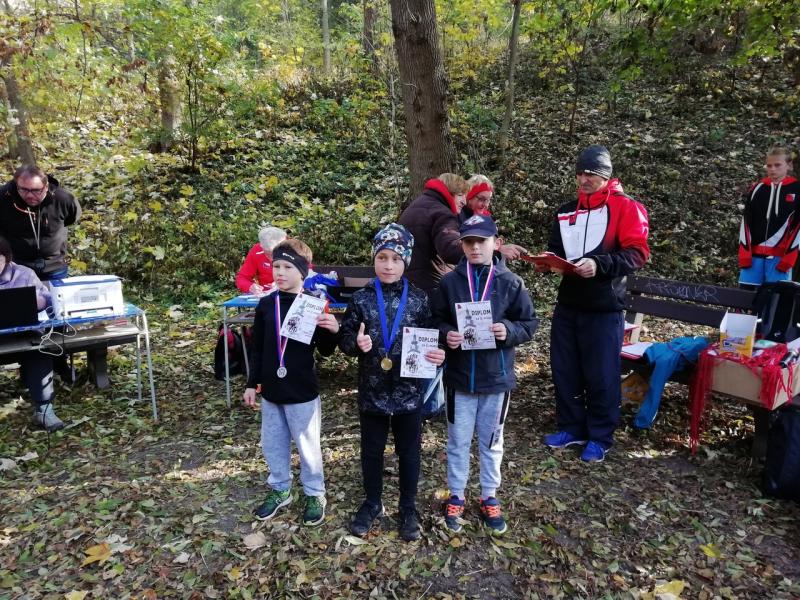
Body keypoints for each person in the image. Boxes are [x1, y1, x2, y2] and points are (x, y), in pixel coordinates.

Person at [540, 144, 650, 463]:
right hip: (568, 303)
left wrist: (599, 265)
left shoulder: (627, 207)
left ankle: (600, 436)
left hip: (604, 306)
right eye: (580, 173)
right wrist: (547, 263)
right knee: (565, 369)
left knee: (601, 374)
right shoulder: (566, 210)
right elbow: (555, 248)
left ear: (605, 175)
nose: (584, 179)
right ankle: (571, 427)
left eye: (591, 173)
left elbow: (637, 253)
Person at [338, 223, 446, 541]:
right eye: (382, 258)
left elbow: (433, 337)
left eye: (396, 259)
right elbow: (345, 338)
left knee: (409, 452)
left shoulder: (420, 300)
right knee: (371, 452)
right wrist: (355, 344)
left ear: (406, 262)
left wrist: (438, 353)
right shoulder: (361, 299)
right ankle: (372, 503)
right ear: (374, 259)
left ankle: (407, 507)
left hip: (408, 394)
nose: (388, 265)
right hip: (371, 392)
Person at [432, 214, 538, 534]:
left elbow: (529, 323)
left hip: (496, 380)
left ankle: (489, 495)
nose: (475, 247)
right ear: (462, 245)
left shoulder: (510, 282)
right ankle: (456, 494)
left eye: (482, 241)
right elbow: (435, 320)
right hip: (460, 378)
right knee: (458, 440)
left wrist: (507, 330)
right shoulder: (450, 283)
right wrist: (447, 334)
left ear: (496, 243)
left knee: (492, 442)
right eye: (469, 242)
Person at [242, 238, 340, 526]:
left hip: (302, 390)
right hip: (272, 391)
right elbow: (258, 349)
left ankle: (314, 493)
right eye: (276, 267)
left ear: (303, 271)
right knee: (273, 444)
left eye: (288, 267)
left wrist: (332, 329)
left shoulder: (313, 305)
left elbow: (326, 350)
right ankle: (280, 488)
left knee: (308, 447)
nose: (280, 273)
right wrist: (251, 384)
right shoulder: (265, 305)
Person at [0, 236, 63, 431]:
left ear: (6, 258)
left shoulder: (24, 274)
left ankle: (44, 410)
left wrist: (40, 301)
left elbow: (50, 302)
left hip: (24, 334)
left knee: (39, 348)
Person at [0, 165, 81, 281]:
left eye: (36, 190)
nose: (29, 195)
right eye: (23, 189)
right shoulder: (3, 198)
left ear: (46, 186)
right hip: (17, 269)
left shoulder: (63, 200)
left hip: (54, 267)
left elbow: (71, 218)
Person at [738, 146, 800, 288]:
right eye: (769, 165)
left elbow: (798, 228)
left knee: (775, 299)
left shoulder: (797, 190)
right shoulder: (758, 188)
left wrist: (788, 259)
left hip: (780, 259)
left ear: (789, 165)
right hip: (753, 258)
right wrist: (744, 256)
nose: (772, 169)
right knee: (745, 298)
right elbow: (746, 222)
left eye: (777, 165)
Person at [398, 173, 469, 295]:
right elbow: (451, 251)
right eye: (460, 195)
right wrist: (483, 248)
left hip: (403, 281)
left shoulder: (416, 205)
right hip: (429, 287)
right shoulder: (442, 213)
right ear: (449, 192)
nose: (464, 202)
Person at [461, 174, 528, 262]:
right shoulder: (459, 216)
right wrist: (498, 250)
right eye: (481, 199)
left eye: (488, 200)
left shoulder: (486, 218)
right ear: (469, 197)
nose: (485, 205)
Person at [235, 226, 287, 295]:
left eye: (276, 253)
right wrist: (250, 287)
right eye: (267, 254)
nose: (272, 258)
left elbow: (302, 278)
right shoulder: (257, 250)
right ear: (261, 246)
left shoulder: (295, 249)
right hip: (266, 295)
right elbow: (242, 278)